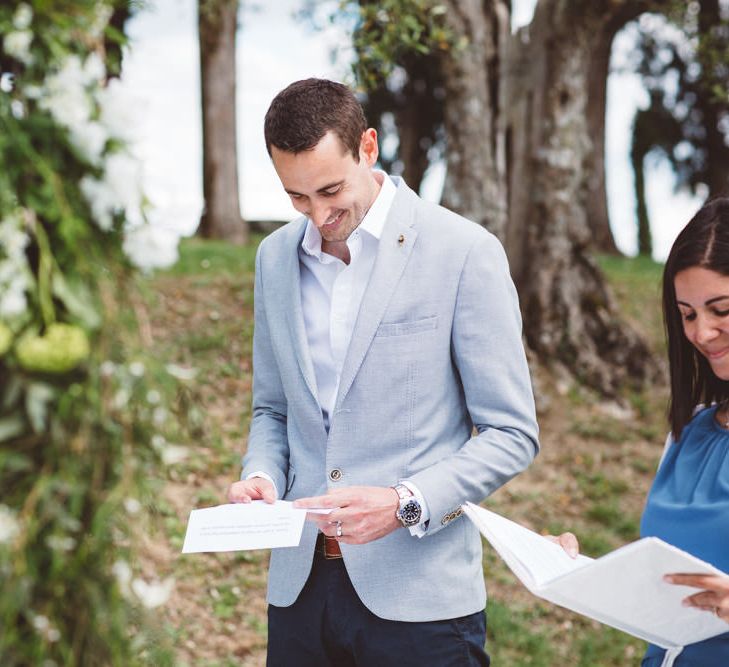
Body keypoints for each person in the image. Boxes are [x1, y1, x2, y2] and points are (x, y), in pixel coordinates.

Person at [227, 78, 539, 666]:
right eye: (296, 197)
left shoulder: (464, 251)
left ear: (368, 146)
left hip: (421, 606)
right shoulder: (272, 259)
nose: (318, 215)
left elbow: (512, 433)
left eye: (330, 189)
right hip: (298, 597)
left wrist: (403, 502)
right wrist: (263, 475)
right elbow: (273, 408)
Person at [557, 197, 729, 667]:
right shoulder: (689, 431)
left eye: (721, 309)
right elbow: (666, 584)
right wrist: (576, 573)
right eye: (688, 314)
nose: (703, 333)